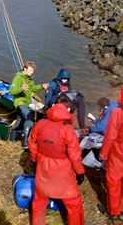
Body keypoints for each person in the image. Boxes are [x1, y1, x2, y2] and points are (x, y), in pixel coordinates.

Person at [28, 95, 85, 225]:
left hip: (43, 164)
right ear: (69, 109)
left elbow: (32, 143)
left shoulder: (41, 124)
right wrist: (80, 172)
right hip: (62, 169)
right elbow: (75, 155)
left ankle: (38, 222)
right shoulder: (67, 129)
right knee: (73, 203)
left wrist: (35, 160)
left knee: (40, 199)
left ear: (53, 106)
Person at [97, 83, 123, 221]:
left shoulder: (117, 112)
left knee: (114, 183)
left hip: (118, 152)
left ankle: (113, 211)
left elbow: (110, 136)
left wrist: (103, 154)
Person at [9, 61, 48, 149]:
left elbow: (32, 88)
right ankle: (25, 142)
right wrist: (21, 88)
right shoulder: (18, 78)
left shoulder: (29, 79)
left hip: (26, 103)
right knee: (30, 118)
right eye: (30, 70)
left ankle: (12, 139)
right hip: (19, 102)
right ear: (25, 69)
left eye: (33, 70)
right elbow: (12, 91)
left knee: (20, 121)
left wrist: (42, 86)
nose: (32, 72)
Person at [45, 69, 87, 135]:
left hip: (64, 103)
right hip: (56, 103)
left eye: (66, 79)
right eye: (63, 79)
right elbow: (48, 100)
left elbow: (81, 113)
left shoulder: (68, 86)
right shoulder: (52, 85)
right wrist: (47, 112)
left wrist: (82, 126)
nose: (65, 81)